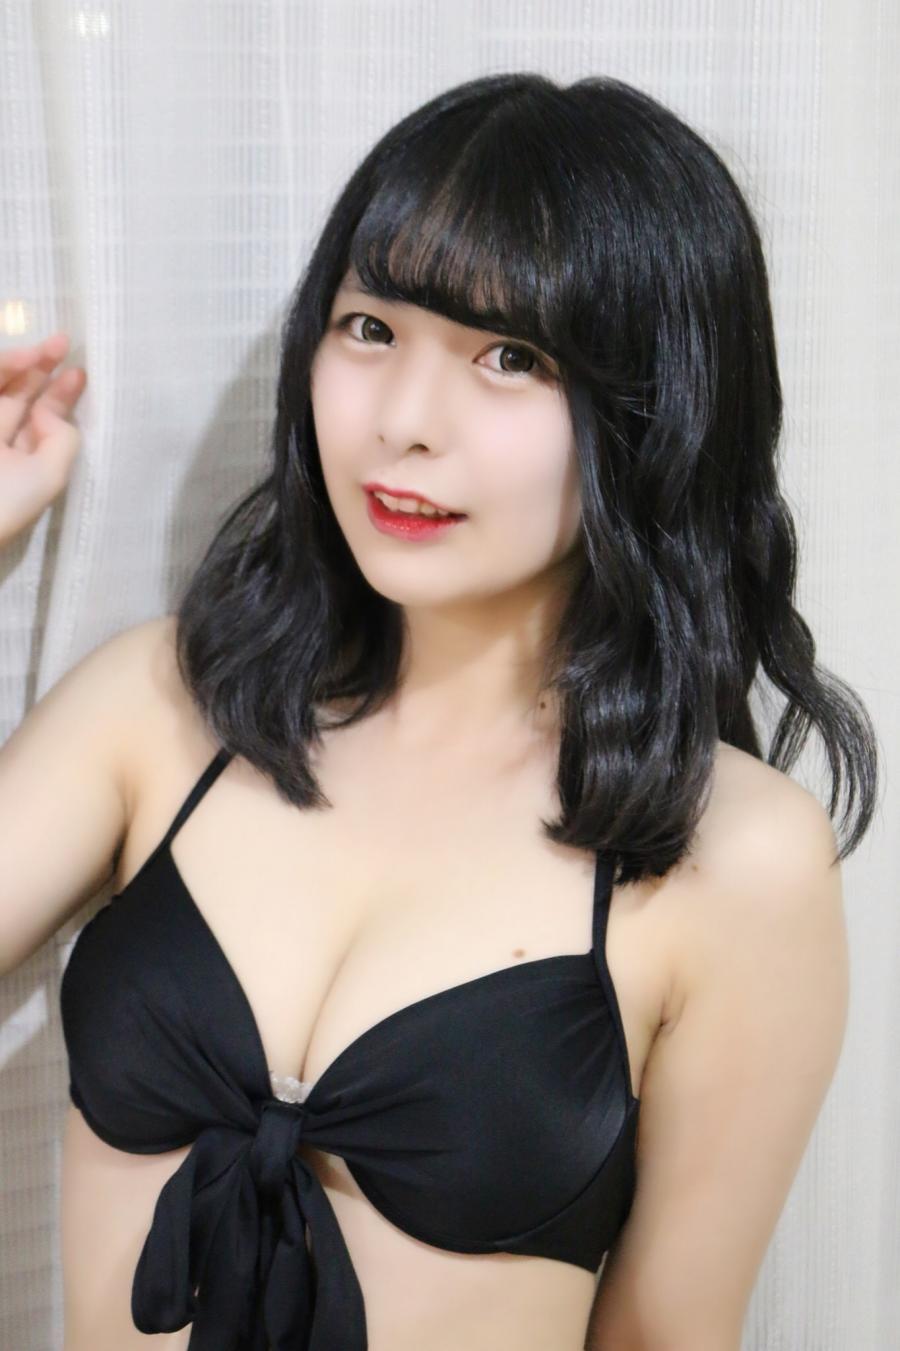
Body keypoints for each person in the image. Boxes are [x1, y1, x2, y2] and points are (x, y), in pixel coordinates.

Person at [0, 71, 878, 1351]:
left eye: (510, 357)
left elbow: (667, 1333)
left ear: (656, 410)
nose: (404, 422)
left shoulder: (735, 857)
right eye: (371, 328)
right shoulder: (162, 706)